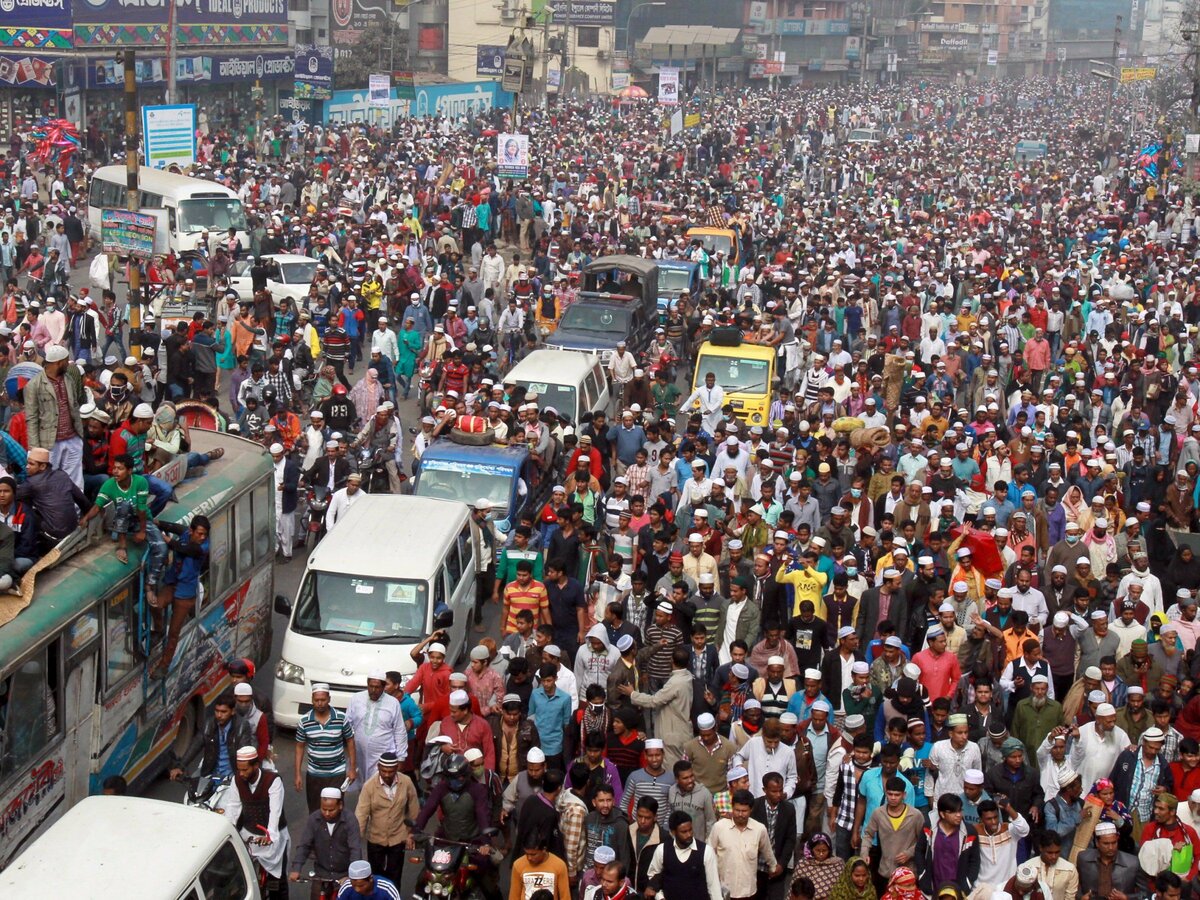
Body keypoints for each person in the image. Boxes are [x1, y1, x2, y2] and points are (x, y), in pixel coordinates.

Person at [223, 746, 290, 899]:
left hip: (273, 840)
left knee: (277, 884)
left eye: (245, 770)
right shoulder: (237, 780)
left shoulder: (273, 781)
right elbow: (233, 807)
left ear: (256, 765)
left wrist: (270, 836)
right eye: (239, 770)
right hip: (249, 837)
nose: (242, 773)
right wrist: (228, 831)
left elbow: (275, 812)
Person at [23, 344, 84, 489]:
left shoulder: (68, 379)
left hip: (72, 438)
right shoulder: (34, 385)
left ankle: (75, 510)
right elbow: (31, 418)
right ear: (58, 363)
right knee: (48, 480)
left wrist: (80, 436)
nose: (68, 363)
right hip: (50, 442)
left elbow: (74, 406)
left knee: (75, 480)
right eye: (66, 360)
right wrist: (34, 449)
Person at [355, 751, 419, 887]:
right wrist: (355, 842)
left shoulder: (406, 782)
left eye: (390, 771)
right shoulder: (369, 786)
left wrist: (411, 833)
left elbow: (414, 809)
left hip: (398, 837)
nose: (387, 775)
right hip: (375, 838)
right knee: (375, 877)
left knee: (394, 877)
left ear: (396, 769)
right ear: (378, 767)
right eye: (384, 771)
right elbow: (361, 814)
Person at [294, 683, 358, 812]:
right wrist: (297, 774)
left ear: (329, 699)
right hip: (314, 773)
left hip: (337, 773)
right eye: (316, 700)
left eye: (323, 700)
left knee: (335, 809)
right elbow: (299, 747)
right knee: (315, 810)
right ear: (312, 700)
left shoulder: (341, 718)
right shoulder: (304, 721)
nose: (320, 703)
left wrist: (352, 769)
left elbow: (350, 741)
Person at [290, 787, 363, 892]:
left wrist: (352, 875)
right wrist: (296, 869)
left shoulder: (350, 820)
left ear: (340, 805)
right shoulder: (314, 819)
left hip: (344, 875)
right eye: (324, 809)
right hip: (321, 873)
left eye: (331, 810)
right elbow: (304, 846)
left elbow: (355, 849)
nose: (327, 813)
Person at [167, 692, 251, 783]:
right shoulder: (208, 725)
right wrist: (180, 766)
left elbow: (244, 753)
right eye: (217, 711)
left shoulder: (242, 727)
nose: (219, 715)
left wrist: (241, 778)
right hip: (211, 773)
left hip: (232, 777)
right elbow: (195, 746)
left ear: (233, 711)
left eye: (223, 712)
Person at [645, 809, 723, 900]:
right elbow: (653, 876)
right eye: (684, 832)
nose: (689, 834)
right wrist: (660, 897)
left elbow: (714, 887)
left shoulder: (706, 851)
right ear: (673, 832)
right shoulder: (662, 850)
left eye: (690, 830)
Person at [346, 672, 409, 784]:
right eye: (371, 686)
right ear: (367, 685)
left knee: (379, 787)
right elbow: (347, 724)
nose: (373, 690)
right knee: (362, 787)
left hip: (382, 756)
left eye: (377, 687)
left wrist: (401, 758)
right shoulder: (356, 699)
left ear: (383, 687)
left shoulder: (392, 703)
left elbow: (400, 731)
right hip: (359, 754)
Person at [337, 860, 403, 900]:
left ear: (371, 879)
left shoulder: (387, 889)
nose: (357, 889)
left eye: (361, 886)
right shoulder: (346, 887)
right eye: (354, 886)